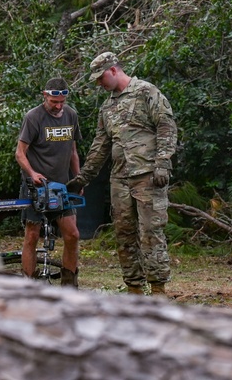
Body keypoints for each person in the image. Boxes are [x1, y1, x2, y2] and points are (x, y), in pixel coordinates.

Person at [68, 52, 177, 296]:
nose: (99, 83)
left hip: (147, 174)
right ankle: (134, 289)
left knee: (151, 231)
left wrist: (162, 163)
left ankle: (158, 289)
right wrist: (83, 177)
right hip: (119, 178)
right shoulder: (107, 107)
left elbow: (166, 126)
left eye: (101, 77)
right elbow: (100, 146)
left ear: (114, 70)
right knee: (124, 233)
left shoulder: (146, 92)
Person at [15, 76, 83, 287]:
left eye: (62, 102)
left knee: (72, 235)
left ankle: (69, 285)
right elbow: (20, 153)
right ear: (45, 96)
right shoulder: (33, 117)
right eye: (54, 102)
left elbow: (73, 151)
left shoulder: (71, 115)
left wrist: (78, 178)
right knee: (32, 235)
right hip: (36, 187)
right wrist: (32, 173)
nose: (58, 106)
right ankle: (30, 285)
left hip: (61, 186)